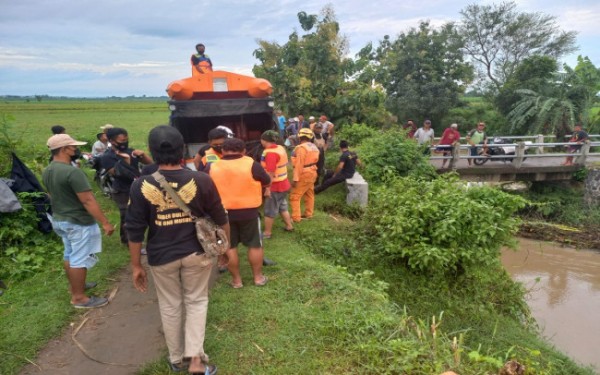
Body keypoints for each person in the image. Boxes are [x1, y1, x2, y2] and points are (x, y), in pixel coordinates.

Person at [126, 125, 226, 374]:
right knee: (196, 301)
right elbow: (220, 216)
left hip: (161, 256)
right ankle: (195, 362)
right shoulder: (201, 179)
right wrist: (225, 246)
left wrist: (136, 264)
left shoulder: (140, 185)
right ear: (182, 149)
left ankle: (176, 359)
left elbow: (135, 229)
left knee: (170, 305)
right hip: (197, 253)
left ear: (152, 151)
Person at [42, 134, 115, 309]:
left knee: (69, 254)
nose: (76, 149)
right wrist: (105, 222)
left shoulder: (48, 170)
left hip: (60, 219)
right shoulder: (72, 172)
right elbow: (88, 200)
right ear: (64, 149)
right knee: (79, 259)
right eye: (73, 147)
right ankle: (79, 298)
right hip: (77, 221)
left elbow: (52, 194)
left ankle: (75, 287)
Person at [206, 138, 270, 288]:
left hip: (222, 215)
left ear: (222, 151)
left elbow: (205, 187)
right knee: (255, 245)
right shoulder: (251, 164)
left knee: (229, 246)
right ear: (243, 151)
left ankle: (236, 281)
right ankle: (258, 278)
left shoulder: (212, 166)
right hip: (249, 213)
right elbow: (266, 180)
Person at [100, 127, 152, 245]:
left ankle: (137, 240)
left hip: (137, 188)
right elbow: (116, 173)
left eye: (126, 139)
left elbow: (150, 164)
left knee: (141, 215)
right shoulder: (107, 156)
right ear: (112, 141)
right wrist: (125, 161)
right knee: (128, 217)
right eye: (122, 140)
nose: (125, 143)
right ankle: (128, 242)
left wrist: (143, 155)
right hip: (122, 191)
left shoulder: (130, 151)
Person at [260, 130, 294, 239]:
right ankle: (289, 226)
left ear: (264, 140)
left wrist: (268, 188)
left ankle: (267, 233)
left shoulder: (270, 154)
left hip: (275, 185)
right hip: (284, 183)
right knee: (282, 206)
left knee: (270, 209)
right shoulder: (280, 148)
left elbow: (271, 172)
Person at [290, 128, 320, 222]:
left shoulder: (301, 148)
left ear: (299, 136)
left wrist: (295, 179)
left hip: (304, 173)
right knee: (309, 194)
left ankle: (295, 218)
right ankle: (308, 214)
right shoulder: (314, 147)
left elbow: (299, 164)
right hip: (313, 172)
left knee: (295, 196)